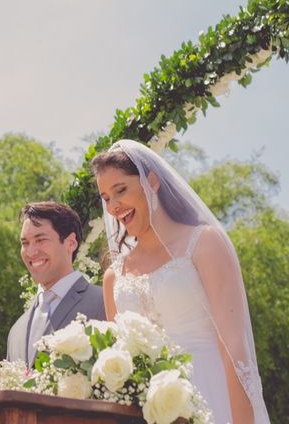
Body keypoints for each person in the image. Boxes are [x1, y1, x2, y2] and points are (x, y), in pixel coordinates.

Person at [92, 139, 269, 424]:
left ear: (152, 182)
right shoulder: (114, 276)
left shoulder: (204, 243)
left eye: (120, 190)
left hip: (212, 398)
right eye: (106, 198)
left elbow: (234, 348)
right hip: (148, 412)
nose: (113, 206)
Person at [7, 201, 105, 367]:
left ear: (71, 243)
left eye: (40, 240)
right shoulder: (16, 331)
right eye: (25, 243)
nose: (30, 252)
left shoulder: (103, 302)